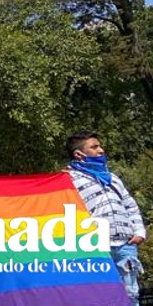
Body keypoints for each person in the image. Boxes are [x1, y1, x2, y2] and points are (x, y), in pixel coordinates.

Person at [66, 131, 145, 306]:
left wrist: (139, 232)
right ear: (79, 154)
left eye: (100, 146)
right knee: (99, 294)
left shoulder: (113, 178)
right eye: (94, 147)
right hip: (95, 247)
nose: (101, 150)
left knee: (130, 293)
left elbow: (130, 205)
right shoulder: (68, 179)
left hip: (125, 245)